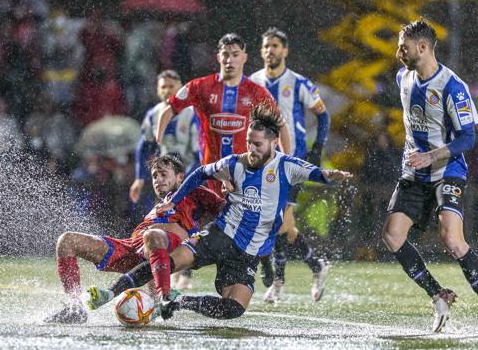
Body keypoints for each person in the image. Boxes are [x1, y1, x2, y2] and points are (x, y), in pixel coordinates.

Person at [87, 101, 351, 321]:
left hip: (247, 252)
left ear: (274, 143)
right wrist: (175, 200)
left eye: (258, 144)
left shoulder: (287, 166)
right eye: (249, 142)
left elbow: (318, 173)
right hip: (220, 235)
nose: (252, 149)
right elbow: (200, 173)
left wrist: (333, 175)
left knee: (233, 309)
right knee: (168, 262)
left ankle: (177, 303)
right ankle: (110, 294)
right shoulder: (235, 163)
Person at [382, 18, 478, 333]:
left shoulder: (452, 86)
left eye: (403, 48)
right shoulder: (402, 78)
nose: (399, 54)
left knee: (452, 239)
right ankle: (438, 295)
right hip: (414, 173)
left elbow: (468, 138)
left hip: (446, 171)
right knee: (392, 236)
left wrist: (431, 156)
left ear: (422, 47)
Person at [46, 155, 224, 324]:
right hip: (132, 248)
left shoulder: (194, 192)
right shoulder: (159, 205)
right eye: (154, 176)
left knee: (152, 237)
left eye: (163, 174)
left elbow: (226, 209)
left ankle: (162, 297)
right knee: (67, 240)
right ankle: (75, 309)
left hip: (161, 249)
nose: (158, 179)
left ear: (180, 177)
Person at [249, 27, 331, 303]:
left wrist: (317, 147)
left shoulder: (298, 83)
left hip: (291, 161)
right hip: (262, 162)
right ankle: (316, 266)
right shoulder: (253, 81)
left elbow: (323, 115)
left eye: (275, 46)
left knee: (280, 221)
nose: (270, 50)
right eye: (266, 46)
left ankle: (278, 282)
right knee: (283, 224)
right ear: (261, 52)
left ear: (285, 51)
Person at [156, 33, 291, 196]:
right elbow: (170, 109)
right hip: (210, 174)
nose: (230, 60)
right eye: (226, 54)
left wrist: (285, 162)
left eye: (235, 55)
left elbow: (280, 124)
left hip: (246, 172)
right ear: (219, 57)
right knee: (207, 216)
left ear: (244, 58)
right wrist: (159, 139)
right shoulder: (199, 87)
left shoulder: (257, 93)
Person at [129, 70, 199, 290]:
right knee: (163, 221)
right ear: (158, 90)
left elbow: (200, 152)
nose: (168, 90)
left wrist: (187, 179)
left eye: (172, 86)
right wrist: (140, 178)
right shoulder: (154, 114)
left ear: (181, 87)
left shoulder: (192, 113)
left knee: (189, 220)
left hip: (189, 174)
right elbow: (144, 145)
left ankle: (185, 269)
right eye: (163, 86)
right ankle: (162, 266)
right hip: (167, 178)